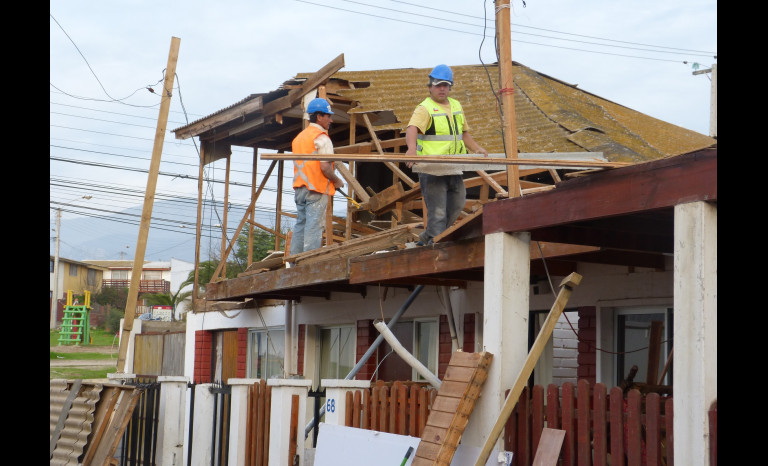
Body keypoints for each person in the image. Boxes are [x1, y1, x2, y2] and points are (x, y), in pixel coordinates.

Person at [405, 64, 488, 245]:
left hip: (453, 167)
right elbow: (412, 129)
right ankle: (435, 249)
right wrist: (411, 149)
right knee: (438, 213)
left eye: (445, 85)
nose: (442, 89)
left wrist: (477, 149)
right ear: (430, 87)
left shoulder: (456, 105)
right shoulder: (425, 108)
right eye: (438, 85)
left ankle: (429, 238)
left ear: (450, 86)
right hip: (432, 170)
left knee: (458, 203)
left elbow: (464, 134)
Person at [290, 97, 345, 255]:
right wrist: (337, 180)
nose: (331, 120)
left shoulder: (299, 138)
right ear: (319, 116)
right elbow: (325, 167)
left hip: (300, 188)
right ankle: (308, 263)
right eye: (328, 116)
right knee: (314, 226)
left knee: (301, 225)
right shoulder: (321, 137)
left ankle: (294, 262)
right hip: (316, 189)